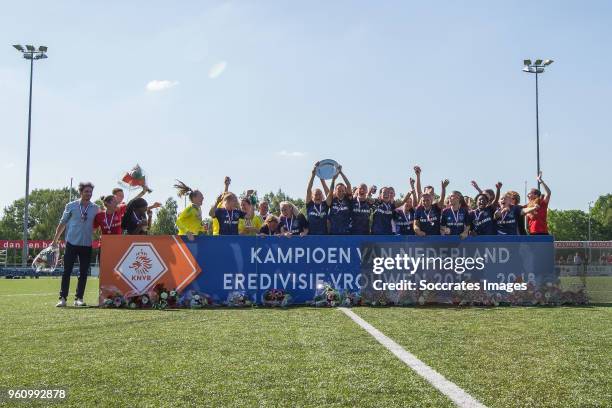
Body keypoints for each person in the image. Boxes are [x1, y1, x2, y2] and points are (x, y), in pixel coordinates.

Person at [52, 182, 99, 307]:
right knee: (66, 271)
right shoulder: (71, 206)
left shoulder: (95, 208)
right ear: (81, 192)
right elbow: (62, 223)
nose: (88, 194)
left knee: (83, 272)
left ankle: (79, 298)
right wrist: (55, 240)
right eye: (86, 191)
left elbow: (98, 225)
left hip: (87, 244)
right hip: (71, 243)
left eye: (90, 192)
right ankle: (62, 298)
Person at [325, 165, 352, 235]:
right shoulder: (332, 200)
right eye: (338, 190)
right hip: (333, 233)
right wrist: (333, 179)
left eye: (342, 190)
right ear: (335, 191)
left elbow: (348, 185)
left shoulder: (348, 199)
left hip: (346, 233)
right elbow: (330, 192)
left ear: (345, 191)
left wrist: (340, 172)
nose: (340, 192)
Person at [305, 162, 330, 235]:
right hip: (311, 237)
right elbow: (308, 189)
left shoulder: (325, 204)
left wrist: (321, 177)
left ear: (322, 196)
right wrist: (313, 175)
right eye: (316, 195)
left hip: (324, 237)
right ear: (312, 197)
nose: (318, 196)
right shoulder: (309, 204)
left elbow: (328, 193)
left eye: (320, 194)